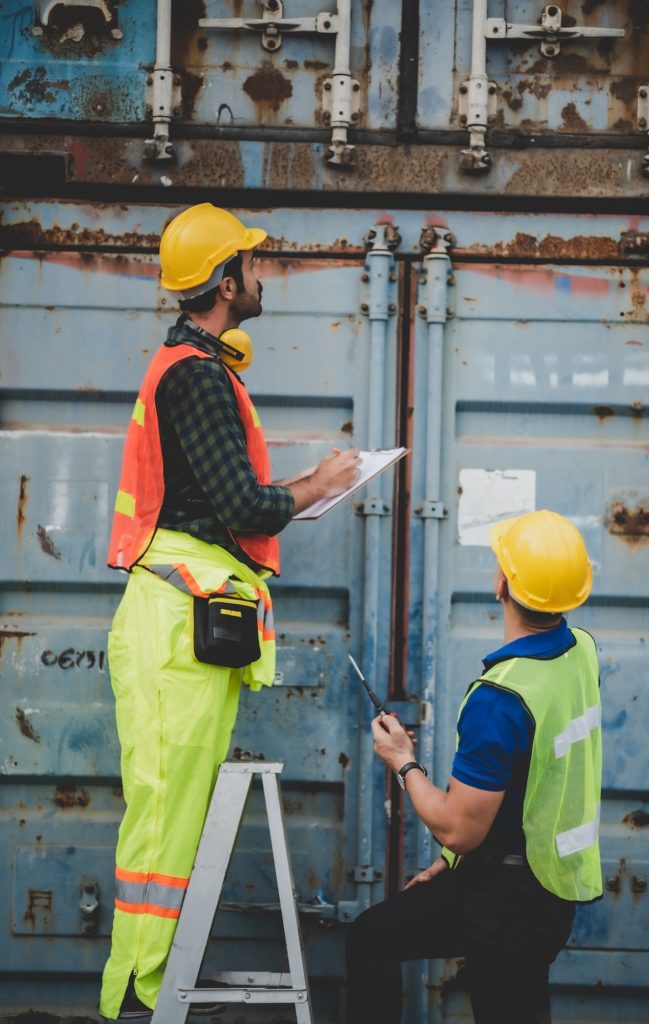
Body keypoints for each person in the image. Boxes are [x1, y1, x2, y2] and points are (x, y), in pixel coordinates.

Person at [99, 203, 360, 1021]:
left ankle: (142, 991)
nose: (262, 274)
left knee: (166, 815)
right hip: (176, 632)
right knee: (168, 822)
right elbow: (245, 503)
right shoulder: (195, 376)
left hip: (177, 627)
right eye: (252, 262)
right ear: (224, 280)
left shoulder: (195, 364)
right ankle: (142, 999)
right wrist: (321, 483)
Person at [346, 509, 602, 1024]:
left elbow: (460, 828)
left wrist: (402, 762)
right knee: (373, 935)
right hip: (543, 886)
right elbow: (534, 780)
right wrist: (452, 864)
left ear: (501, 584)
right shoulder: (581, 652)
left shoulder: (500, 698)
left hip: (510, 904)